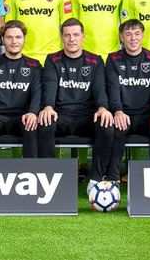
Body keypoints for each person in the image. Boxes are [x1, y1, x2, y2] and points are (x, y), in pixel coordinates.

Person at [39, 18, 115, 187]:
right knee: (44, 123)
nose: (71, 39)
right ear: (61, 37)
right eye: (67, 35)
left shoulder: (95, 61)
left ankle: (96, 179)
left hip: (86, 116)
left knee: (107, 125)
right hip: (61, 115)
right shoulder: (52, 60)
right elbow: (50, 86)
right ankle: (50, 178)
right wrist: (48, 107)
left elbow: (100, 88)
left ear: (83, 37)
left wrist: (103, 107)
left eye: (75, 35)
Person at [0, 20, 42, 158]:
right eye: (9, 37)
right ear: (2, 40)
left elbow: (37, 93)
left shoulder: (34, 65)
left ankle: (31, 173)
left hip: (22, 117)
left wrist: (33, 112)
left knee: (32, 125)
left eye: (18, 37)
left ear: (24, 39)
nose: (14, 41)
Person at [106, 19, 150, 161]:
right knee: (115, 128)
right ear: (121, 37)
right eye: (128, 34)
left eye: (137, 33)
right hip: (123, 114)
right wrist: (117, 111)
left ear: (143, 35)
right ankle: (112, 177)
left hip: (147, 115)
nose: (133, 38)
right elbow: (112, 89)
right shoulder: (113, 59)